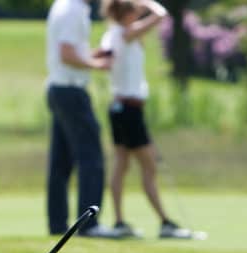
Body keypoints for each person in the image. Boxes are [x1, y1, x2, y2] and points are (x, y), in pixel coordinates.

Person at [100, 0, 206, 240]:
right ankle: (165, 222)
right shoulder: (126, 33)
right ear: (125, 13)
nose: (138, 14)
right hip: (129, 110)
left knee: (122, 164)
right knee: (149, 166)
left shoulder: (112, 35)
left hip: (119, 108)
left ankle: (119, 221)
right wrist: (146, 2)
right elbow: (161, 14)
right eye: (134, 10)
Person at [45, 0, 136, 239]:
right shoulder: (72, 10)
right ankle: (89, 225)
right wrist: (97, 63)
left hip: (58, 89)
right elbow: (66, 54)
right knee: (92, 157)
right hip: (72, 91)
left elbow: (70, 52)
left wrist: (91, 56)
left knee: (61, 162)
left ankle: (57, 224)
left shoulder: (65, 6)